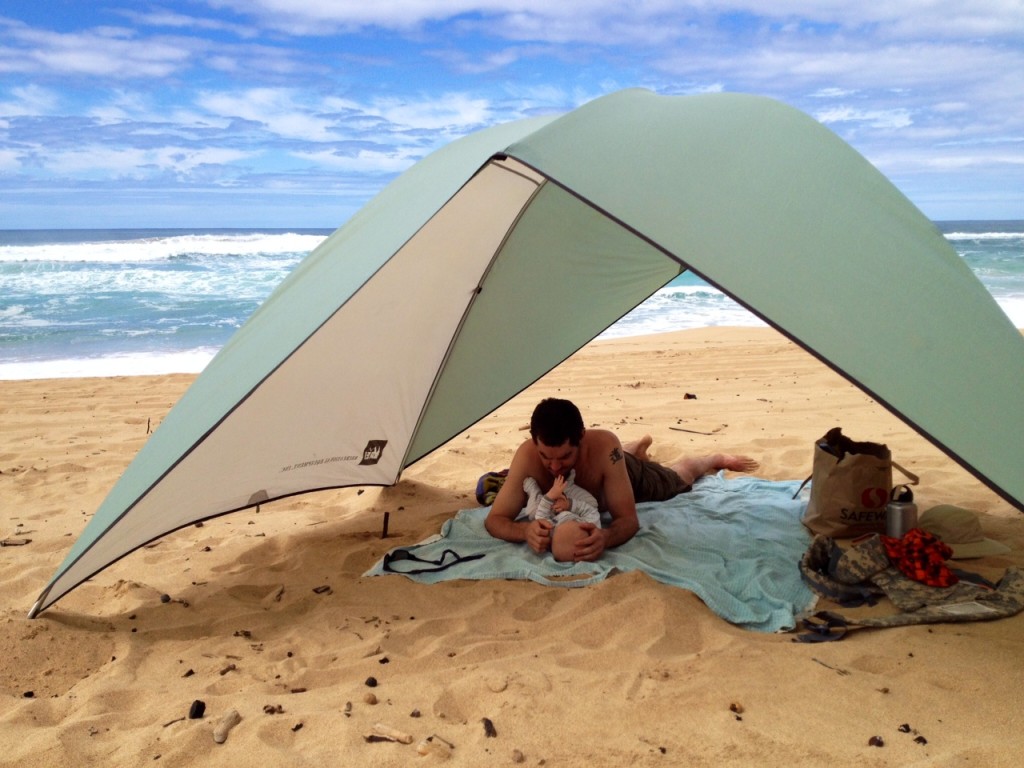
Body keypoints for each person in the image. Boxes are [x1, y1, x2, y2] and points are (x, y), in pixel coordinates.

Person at [484, 397, 758, 562]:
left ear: (581, 438)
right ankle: (634, 448)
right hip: (612, 462)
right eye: (546, 457)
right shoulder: (527, 456)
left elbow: (628, 520)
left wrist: (605, 537)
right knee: (619, 455)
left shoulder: (604, 449)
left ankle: (712, 458)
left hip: (622, 469)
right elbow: (495, 520)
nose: (555, 466)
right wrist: (524, 531)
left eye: (565, 457)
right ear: (535, 443)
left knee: (677, 479)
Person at [523, 469, 601, 561]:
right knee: (593, 504)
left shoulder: (550, 532)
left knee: (532, 513)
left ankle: (533, 491)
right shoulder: (592, 528)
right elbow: (590, 511)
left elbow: (541, 516)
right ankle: (568, 483)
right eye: (572, 521)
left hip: (548, 509)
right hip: (571, 504)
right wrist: (569, 504)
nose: (567, 521)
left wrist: (550, 496)